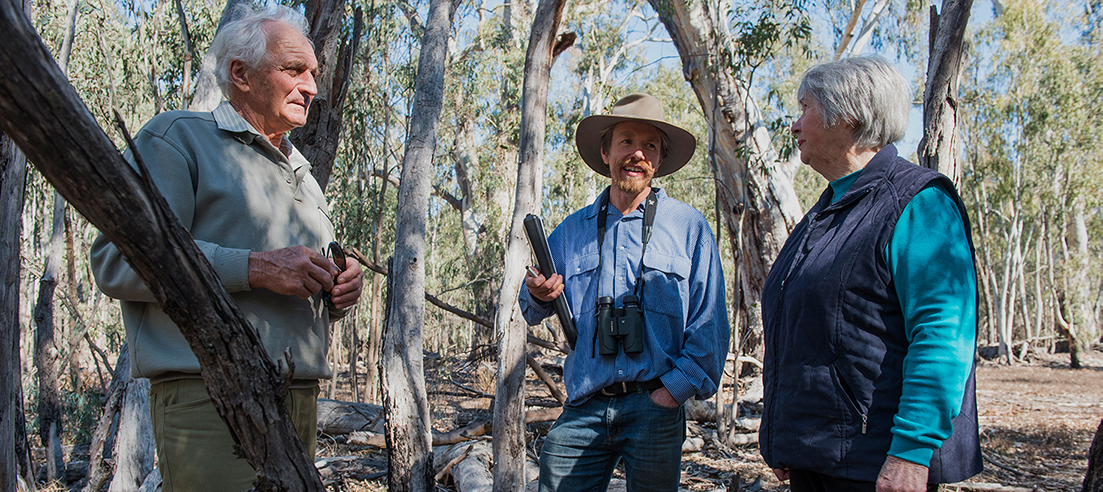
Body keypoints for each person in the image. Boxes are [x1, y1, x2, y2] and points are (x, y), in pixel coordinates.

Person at [89, 6, 363, 491]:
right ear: (241, 73)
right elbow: (117, 261)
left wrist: (338, 291)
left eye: (314, 73)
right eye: (293, 69)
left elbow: (294, 289)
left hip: (299, 399)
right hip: (210, 397)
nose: (312, 87)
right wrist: (255, 267)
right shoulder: (178, 139)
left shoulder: (303, 175)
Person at [759, 55, 982, 492]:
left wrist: (911, 453)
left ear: (850, 115)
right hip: (818, 456)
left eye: (806, 108)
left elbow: (942, 333)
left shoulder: (918, 202)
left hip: (877, 466)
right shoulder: (824, 213)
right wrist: (784, 433)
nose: (794, 125)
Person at [520, 93, 730, 492]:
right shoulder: (571, 230)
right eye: (626, 141)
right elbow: (529, 308)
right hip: (584, 404)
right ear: (605, 152)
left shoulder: (689, 227)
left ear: (660, 160)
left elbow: (711, 326)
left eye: (649, 145)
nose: (637, 154)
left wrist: (672, 393)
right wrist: (538, 293)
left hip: (655, 404)